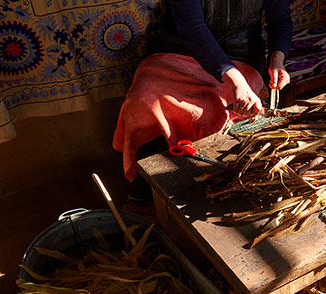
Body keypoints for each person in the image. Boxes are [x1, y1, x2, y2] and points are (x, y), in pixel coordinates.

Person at [113, 0, 293, 200]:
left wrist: (277, 60)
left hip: (241, 56)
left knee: (212, 111)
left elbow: (280, 19)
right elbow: (193, 30)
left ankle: (207, 180)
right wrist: (234, 80)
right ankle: (148, 182)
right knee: (144, 99)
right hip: (177, 51)